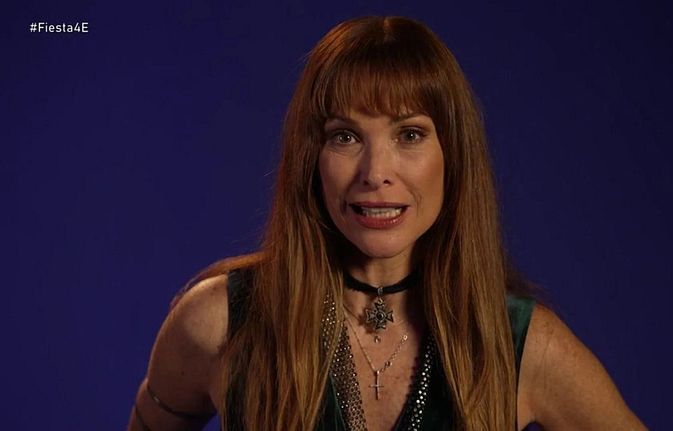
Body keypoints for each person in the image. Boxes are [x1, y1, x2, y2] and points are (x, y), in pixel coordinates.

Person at [128, 16, 646, 431]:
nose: (376, 172)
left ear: (452, 155)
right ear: (312, 159)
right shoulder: (219, 322)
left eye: (410, 134)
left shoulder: (521, 344)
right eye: (345, 136)